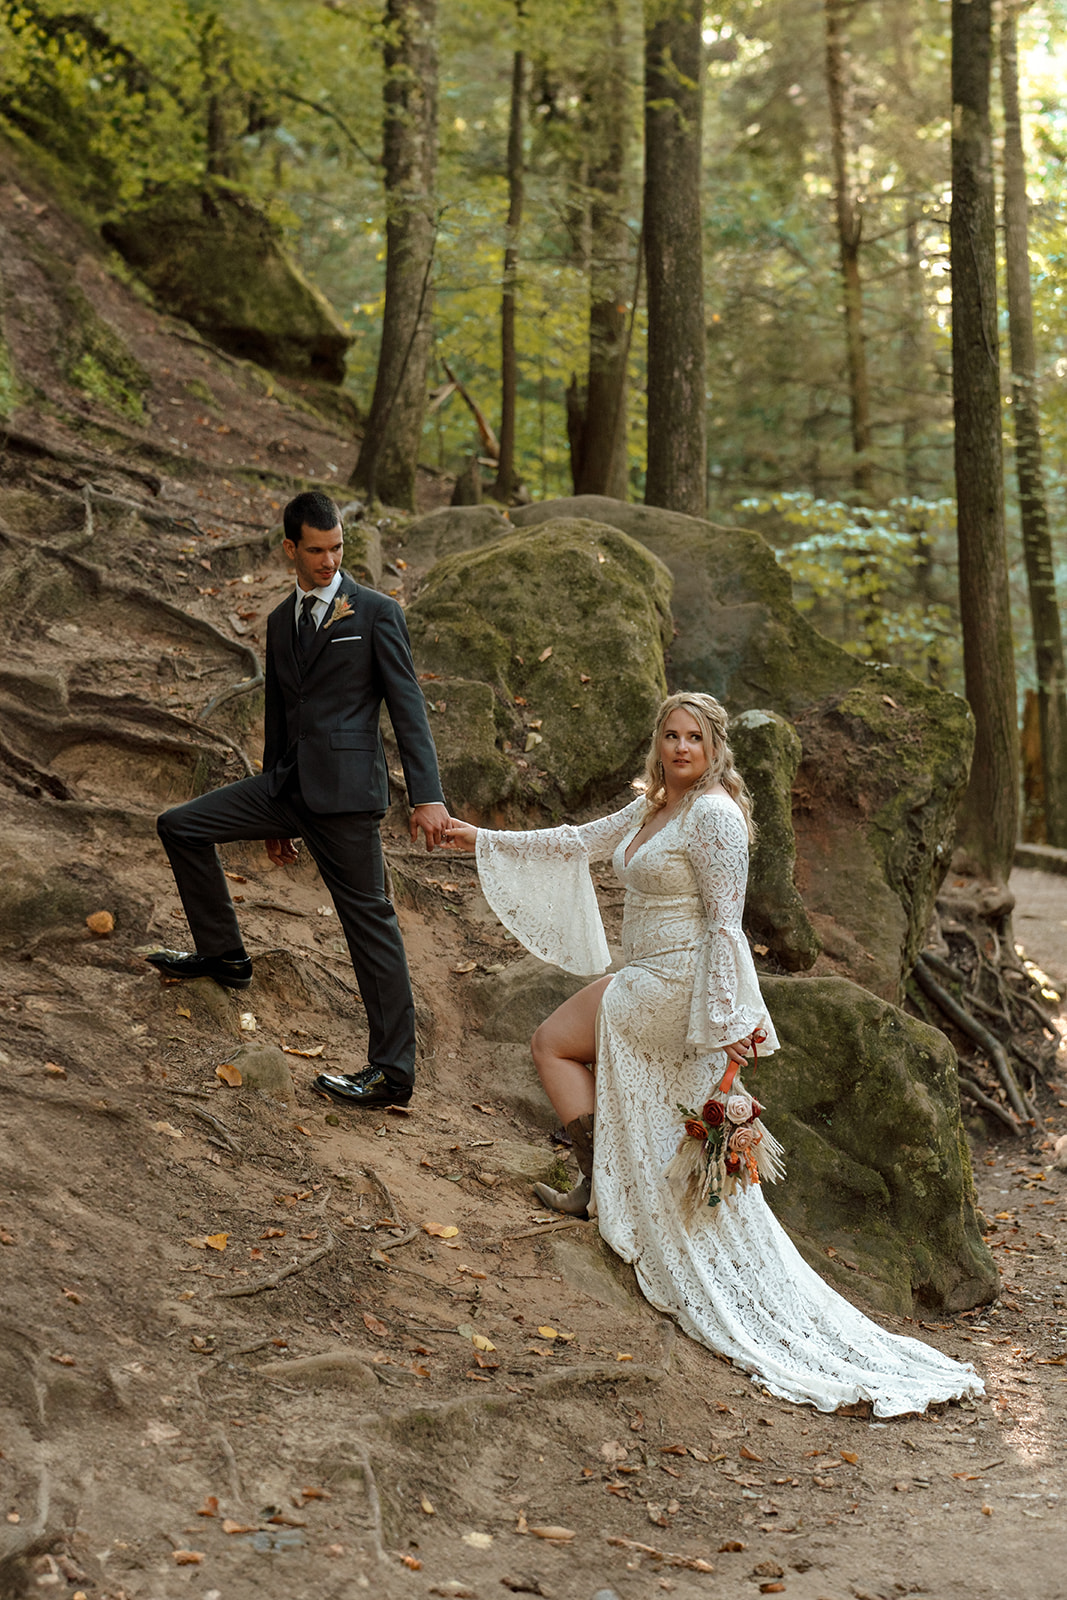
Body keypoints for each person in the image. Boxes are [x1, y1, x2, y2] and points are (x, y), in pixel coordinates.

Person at [444, 692, 984, 1415]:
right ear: (657, 743)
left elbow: (726, 925)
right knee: (569, 1053)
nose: (678, 747)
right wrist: (472, 836)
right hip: (642, 978)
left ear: (714, 746)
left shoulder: (714, 816)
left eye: (692, 737)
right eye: (669, 735)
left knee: (551, 1043)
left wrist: (733, 1019)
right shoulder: (648, 807)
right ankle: (602, 1181)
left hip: (673, 987)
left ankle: (597, 1185)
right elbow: (575, 841)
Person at [148, 490, 449, 1109]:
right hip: (286, 789)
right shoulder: (281, 622)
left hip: (347, 797)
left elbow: (408, 709)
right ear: (290, 548)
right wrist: (271, 807)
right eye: (316, 550)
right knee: (180, 825)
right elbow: (281, 714)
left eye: (337, 547)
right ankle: (224, 955)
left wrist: (428, 797)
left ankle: (391, 1073)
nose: (329, 561)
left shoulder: (375, 612)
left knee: (370, 925)